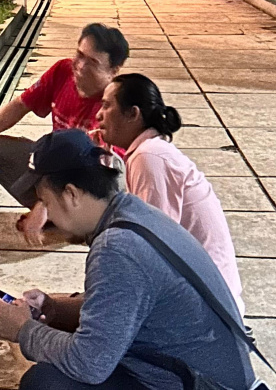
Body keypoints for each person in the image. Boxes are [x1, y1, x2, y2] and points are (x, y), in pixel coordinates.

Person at [0, 129, 256, 390]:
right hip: (207, 374)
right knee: (59, 351)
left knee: (45, 382)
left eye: (46, 202)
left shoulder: (117, 248)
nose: (47, 216)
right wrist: (53, 308)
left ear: (71, 194)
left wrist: (23, 330)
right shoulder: (134, 213)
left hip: (200, 384)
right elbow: (118, 305)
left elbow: (89, 363)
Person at [95, 73, 245, 315]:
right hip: (204, 295)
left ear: (133, 114)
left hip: (208, 307)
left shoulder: (149, 157)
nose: (98, 115)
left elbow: (151, 246)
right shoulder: (148, 152)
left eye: (106, 106)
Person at [0, 24, 128, 234]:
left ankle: (73, 223)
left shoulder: (114, 106)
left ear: (113, 71)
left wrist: (46, 203)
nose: (80, 66)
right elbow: (21, 104)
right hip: (56, 172)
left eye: (92, 62)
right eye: (79, 55)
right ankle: (53, 216)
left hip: (88, 188)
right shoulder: (62, 71)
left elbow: (105, 178)